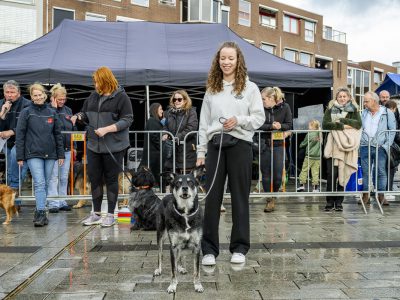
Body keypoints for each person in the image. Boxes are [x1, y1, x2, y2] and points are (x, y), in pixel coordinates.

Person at [196, 41, 265, 266]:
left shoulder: (250, 88)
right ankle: (208, 250)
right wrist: (201, 151)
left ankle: (239, 248)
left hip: (240, 145)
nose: (226, 62)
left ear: (238, 61)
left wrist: (240, 120)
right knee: (212, 198)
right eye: (222, 58)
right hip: (216, 146)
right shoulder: (211, 89)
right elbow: (204, 123)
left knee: (239, 198)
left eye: (230, 58)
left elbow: (259, 118)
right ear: (218, 60)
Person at [71, 66, 133, 227]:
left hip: (114, 146)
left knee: (112, 180)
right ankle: (96, 213)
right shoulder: (92, 97)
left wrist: (107, 129)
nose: (95, 84)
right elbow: (85, 113)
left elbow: (127, 119)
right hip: (93, 145)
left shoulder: (121, 97)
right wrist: (78, 116)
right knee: (95, 179)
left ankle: (111, 215)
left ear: (105, 80)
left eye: (97, 81)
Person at [16, 83, 65, 227]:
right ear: (31, 97)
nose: (38, 97)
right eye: (34, 95)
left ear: (45, 95)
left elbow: (58, 135)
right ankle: (41, 213)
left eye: (40, 95)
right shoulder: (26, 112)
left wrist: (60, 154)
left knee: (45, 184)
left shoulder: (52, 112)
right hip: (33, 154)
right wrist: (20, 156)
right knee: (39, 182)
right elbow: (20, 135)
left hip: (50, 154)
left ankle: (40, 210)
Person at [322, 87, 362, 211]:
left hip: (347, 146)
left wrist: (341, 120)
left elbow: (358, 124)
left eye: (345, 96)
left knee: (342, 174)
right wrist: (346, 126)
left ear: (349, 97)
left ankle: (339, 203)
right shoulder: (331, 109)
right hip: (333, 145)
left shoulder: (354, 109)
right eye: (340, 96)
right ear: (337, 98)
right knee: (331, 175)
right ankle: (329, 202)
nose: (342, 98)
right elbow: (326, 124)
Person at [258, 86, 292, 213]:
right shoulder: (260, 109)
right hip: (264, 144)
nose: (262, 102)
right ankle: (269, 199)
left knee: (277, 175)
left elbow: (289, 124)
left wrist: (280, 126)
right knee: (266, 174)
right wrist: (270, 126)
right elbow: (256, 124)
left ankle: (274, 194)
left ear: (271, 98)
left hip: (278, 144)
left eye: (263, 99)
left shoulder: (285, 107)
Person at [360, 92, 396, 206]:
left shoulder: (387, 112)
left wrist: (386, 145)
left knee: (381, 171)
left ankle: (381, 195)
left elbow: (392, 130)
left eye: (366, 101)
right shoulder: (363, 113)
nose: (364, 103)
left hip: (380, 147)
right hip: (365, 145)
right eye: (364, 101)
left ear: (374, 101)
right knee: (365, 172)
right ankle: (366, 195)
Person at [47, 83, 75, 213]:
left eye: (64, 99)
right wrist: (53, 108)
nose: (62, 102)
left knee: (64, 177)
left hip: (67, 149)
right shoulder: (48, 110)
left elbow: (73, 129)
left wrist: (74, 146)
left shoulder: (68, 110)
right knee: (54, 177)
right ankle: (53, 202)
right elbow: (52, 126)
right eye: (59, 99)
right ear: (53, 98)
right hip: (53, 150)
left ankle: (62, 200)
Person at [0, 80, 31, 193]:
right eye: (7, 92)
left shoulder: (27, 105)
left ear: (19, 93)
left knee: (18, 171)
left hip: (22, 142)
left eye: (12, 92)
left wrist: (12, 131)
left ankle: (13, 194)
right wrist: (2, 113)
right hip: (6, 143)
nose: (9, 95)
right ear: (4, 93)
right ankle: (13, 202)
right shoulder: (1, 104)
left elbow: (30, 125)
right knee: (10, 171)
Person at [163, 90, 198, 173]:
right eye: (174, 99)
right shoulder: (169, 112)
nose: (176, 101)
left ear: (185, 100)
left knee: (185, 179)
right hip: (172, 150)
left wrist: (178, 137)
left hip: (186, 150)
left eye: (179, 99)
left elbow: (191, 128)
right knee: (172, 179)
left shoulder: (191, 112)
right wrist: (165, 133)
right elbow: (165, 126)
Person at [140, 102, 164, 186]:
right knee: (149, 174)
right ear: (155, 110)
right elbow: (154, 137)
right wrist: (162, 146)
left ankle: (162, 189)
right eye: (160, 109)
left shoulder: (154, 121)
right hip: (153, 154)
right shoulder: (152, 121)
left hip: (154, 153)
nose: (162, 111)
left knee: (155, 174)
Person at [297, 120, 322, 193]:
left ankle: (302, 185)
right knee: (315, 172)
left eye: (309, 126)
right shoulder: (320, 134)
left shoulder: (309, 134)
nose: (308, 127)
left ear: (313, 127)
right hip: (317, 157)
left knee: (304, 170)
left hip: (309, 156)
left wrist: (300, 145)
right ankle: (315, 188)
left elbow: (304, 143)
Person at [384, 100, 400, 200]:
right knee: (389, 169)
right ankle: (387, 191)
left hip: (394, 147)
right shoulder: (392, 117)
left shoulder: (393, 116)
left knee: (390, 169)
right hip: (392, 147)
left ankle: (387, 191)